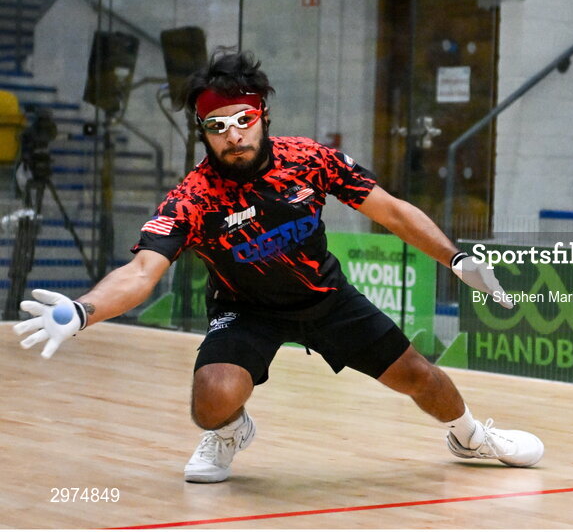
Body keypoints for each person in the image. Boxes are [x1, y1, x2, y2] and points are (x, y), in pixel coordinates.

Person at [13, 50, 544, 482]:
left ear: (262, 116)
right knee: (212, 400)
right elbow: (141, 272)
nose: (233, 134)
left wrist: (455, 257)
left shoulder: (308, 159)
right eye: (217, 125)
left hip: (326, 297)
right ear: (203, 131)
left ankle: (471, 436)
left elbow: (393, 211)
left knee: (421, 379)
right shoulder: (192, 198)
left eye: (243, 120)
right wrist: (82, 311)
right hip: (245, 310)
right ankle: (229, 433)